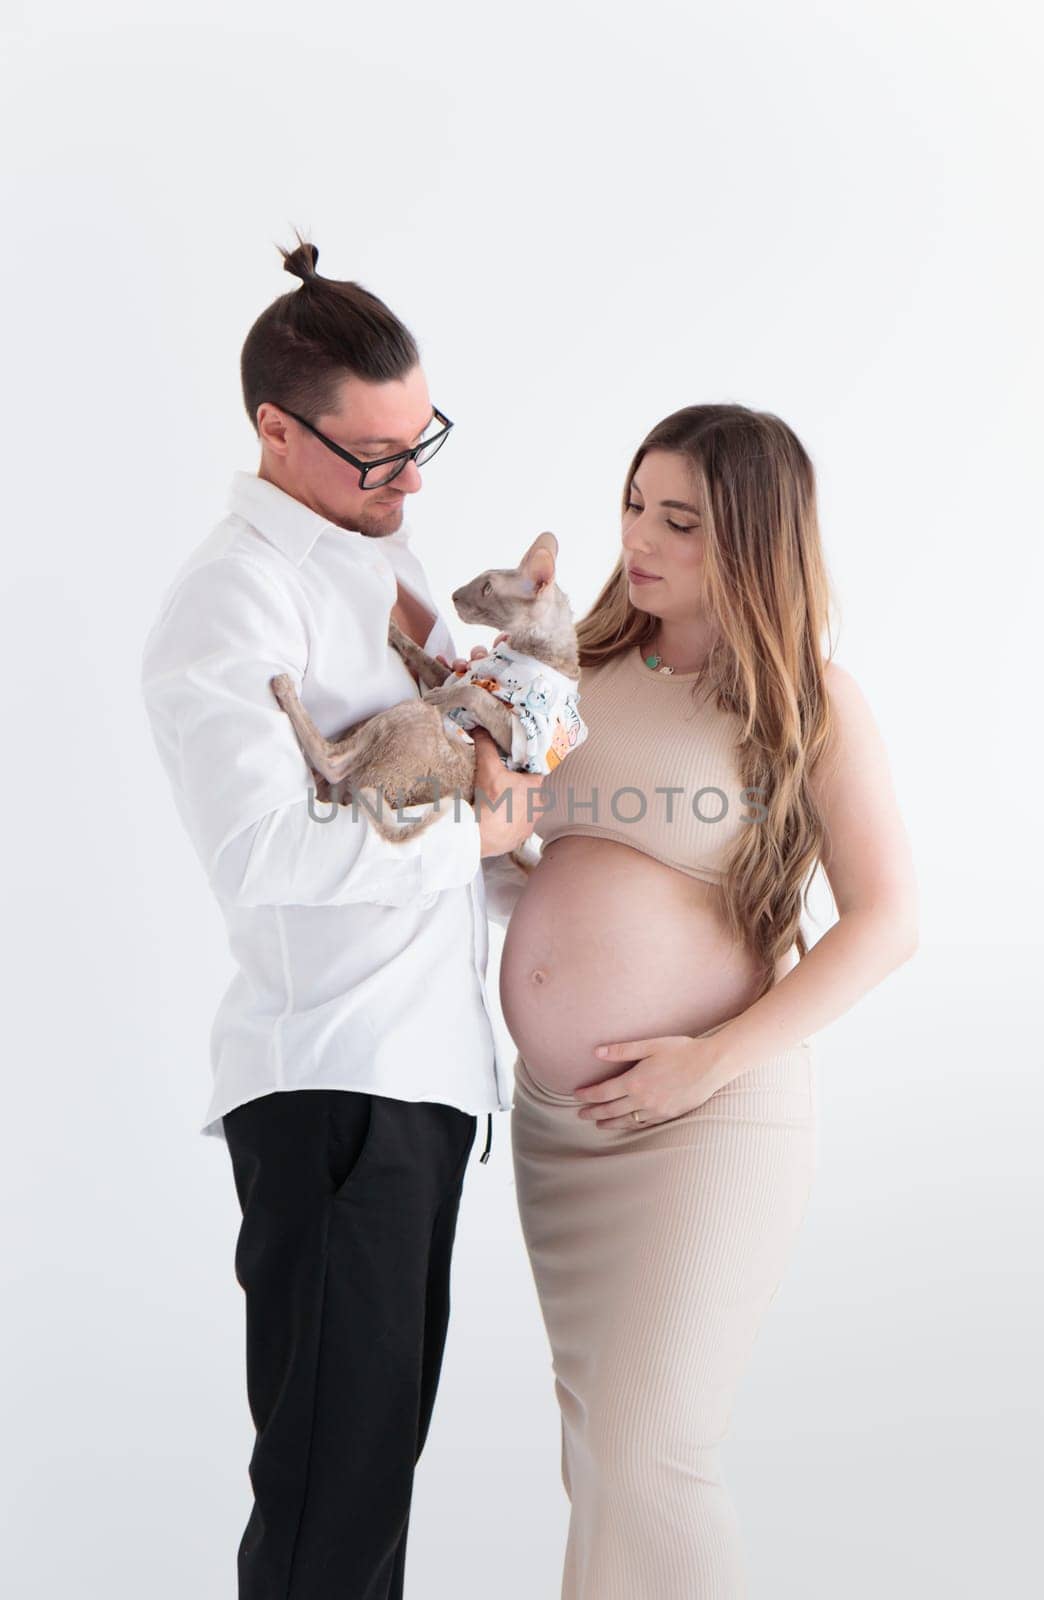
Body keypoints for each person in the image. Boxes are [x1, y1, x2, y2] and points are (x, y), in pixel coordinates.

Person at [446, 406, 920, 1596]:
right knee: (602, 1453)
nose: (638, 538)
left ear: (752, 540)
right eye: (632, 505)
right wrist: (485, 778)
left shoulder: (806, 698)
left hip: (708, 1116)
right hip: (566, 1126)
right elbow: (523, 867)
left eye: (679, 520)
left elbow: (886, 920)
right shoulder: (580, 670)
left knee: (651, 1447)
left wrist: (705, 1064)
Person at [139, 233, 543, 1600]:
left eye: (418, 436)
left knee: (365, 1495)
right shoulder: (231, 601)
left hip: (417, 1083)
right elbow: (259, 848)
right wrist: (469, 833)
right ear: (273, 428)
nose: (409, 477)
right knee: (328, 1507)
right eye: (375, 454)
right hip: (333, 1088)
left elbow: (475, 735)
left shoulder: (387, 559)